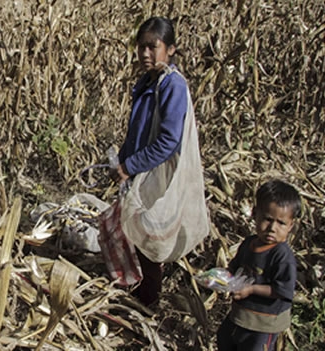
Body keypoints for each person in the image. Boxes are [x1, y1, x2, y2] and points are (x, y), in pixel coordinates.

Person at [107, 17, 190, 305]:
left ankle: (149, 302)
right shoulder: (148, 81)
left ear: (171, 49)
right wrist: (123, 159)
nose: (144, 54)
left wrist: (130, 166)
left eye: (152, 47)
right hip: (141, 172)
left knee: (148, 241)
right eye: (141, 47)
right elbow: (138, 130)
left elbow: (168, 141)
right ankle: (136, 289)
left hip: (156, 176)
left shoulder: (172, 86)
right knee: (134, 233)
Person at [217, 179, 300, 351]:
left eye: (281, 223)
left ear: (290, 225)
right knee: (224, 339)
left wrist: (250, 289)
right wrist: (222, 277)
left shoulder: (282, 256)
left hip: (264, 323)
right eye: (267, 219)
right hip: (241, 315)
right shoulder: (249, 244)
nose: (272, 228)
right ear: (255, 214)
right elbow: (236, 267)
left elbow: (282, 290)